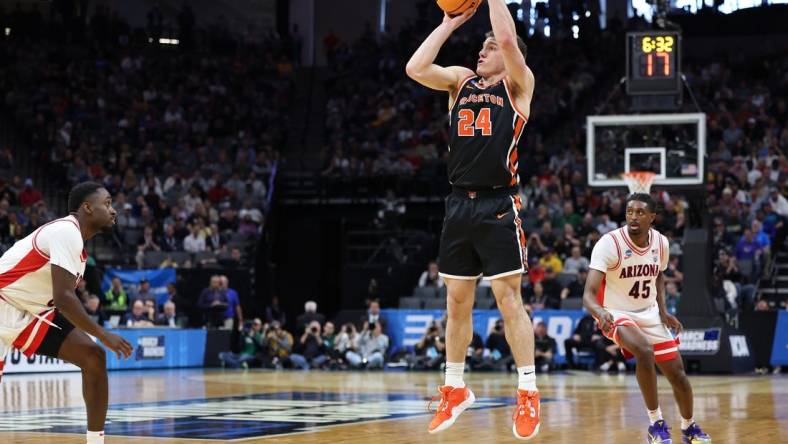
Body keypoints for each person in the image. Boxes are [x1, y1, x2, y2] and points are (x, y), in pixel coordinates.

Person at [406, 0, 540, 437]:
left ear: (509, 56)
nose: (481, 53)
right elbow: (416, 67)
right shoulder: (460, 83)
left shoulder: (519, 86)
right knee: (456, 302)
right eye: (480, 48)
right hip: (458, 204)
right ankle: (455, 388)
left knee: (508, 299)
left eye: (488, 49)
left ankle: (527, 393)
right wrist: (447, 24)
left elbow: (504, 37)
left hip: (499, 203)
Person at [0, 182, 132, 444]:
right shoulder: (66, 231)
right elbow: (64, 298)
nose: (113, 210)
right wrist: (103, 334)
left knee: (93, 357)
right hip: (4, 301)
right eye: (106, 204)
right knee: (96, 348)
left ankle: (96, 441)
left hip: (29, 310)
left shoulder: (76, 246)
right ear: (87, 207)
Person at [583, 193, 711, 443]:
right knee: (643, 351)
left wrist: (663, 312)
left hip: (649, 312)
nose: (633, 216)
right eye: (630, 211)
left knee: (678, 375)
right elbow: (588, 294)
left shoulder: (661, 243)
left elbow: (659, 276)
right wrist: (600, 313)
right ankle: (656, 424)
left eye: (641, 212)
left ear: (652, 217)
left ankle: (689, 427)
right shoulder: (609, 244)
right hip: (616, 312)